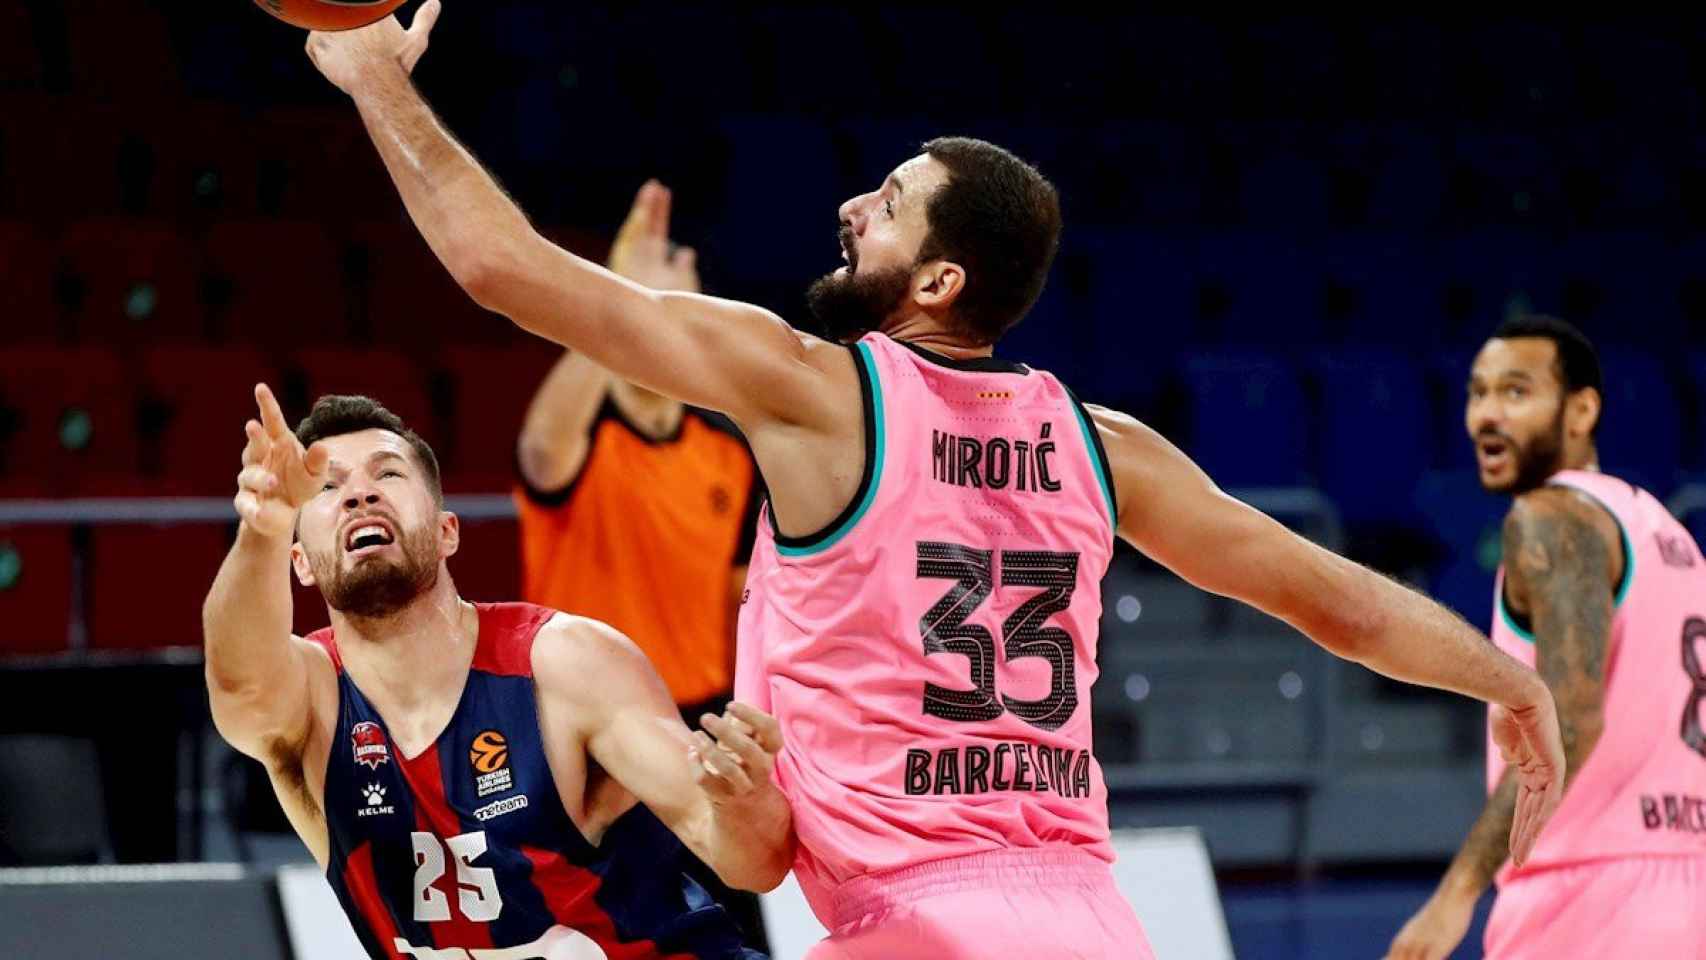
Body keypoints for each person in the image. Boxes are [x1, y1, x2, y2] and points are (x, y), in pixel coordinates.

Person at [303, 7, 1566, 957]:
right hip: (1094, 921)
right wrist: (1506, 677)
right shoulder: (1097, 442)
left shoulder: (816, 389)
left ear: (940, 280)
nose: (855, 203)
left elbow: (500, 268)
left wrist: (372, 80)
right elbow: (1328, 601)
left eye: (893, 203)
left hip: (917, 926)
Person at [203, 384, 789, 959]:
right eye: (328, 487)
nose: (361, 495)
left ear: (445, 532)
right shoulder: (313, 700)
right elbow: (239, 682)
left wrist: (743, 803)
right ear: (299, 563)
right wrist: (265, 525)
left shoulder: (565, 664)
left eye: (387, 474)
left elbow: (754, 863)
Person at [1387, 316, 1706, 960]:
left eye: (1515, 392)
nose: (1485, 416)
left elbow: (1567, 719)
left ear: (1581, 409)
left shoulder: (1548, 517)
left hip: (1590, 898)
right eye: (1477, 393)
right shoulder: (1669, 533)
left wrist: (1455, 895)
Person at [516, 180, 767, 949]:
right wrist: (621, 299)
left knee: (728, 937)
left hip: (699, 732)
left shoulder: (727, 454)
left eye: (666, 321)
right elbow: (539, 450)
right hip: (586, 739)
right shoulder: (581, 445)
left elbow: (746, 606)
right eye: (643, 323)